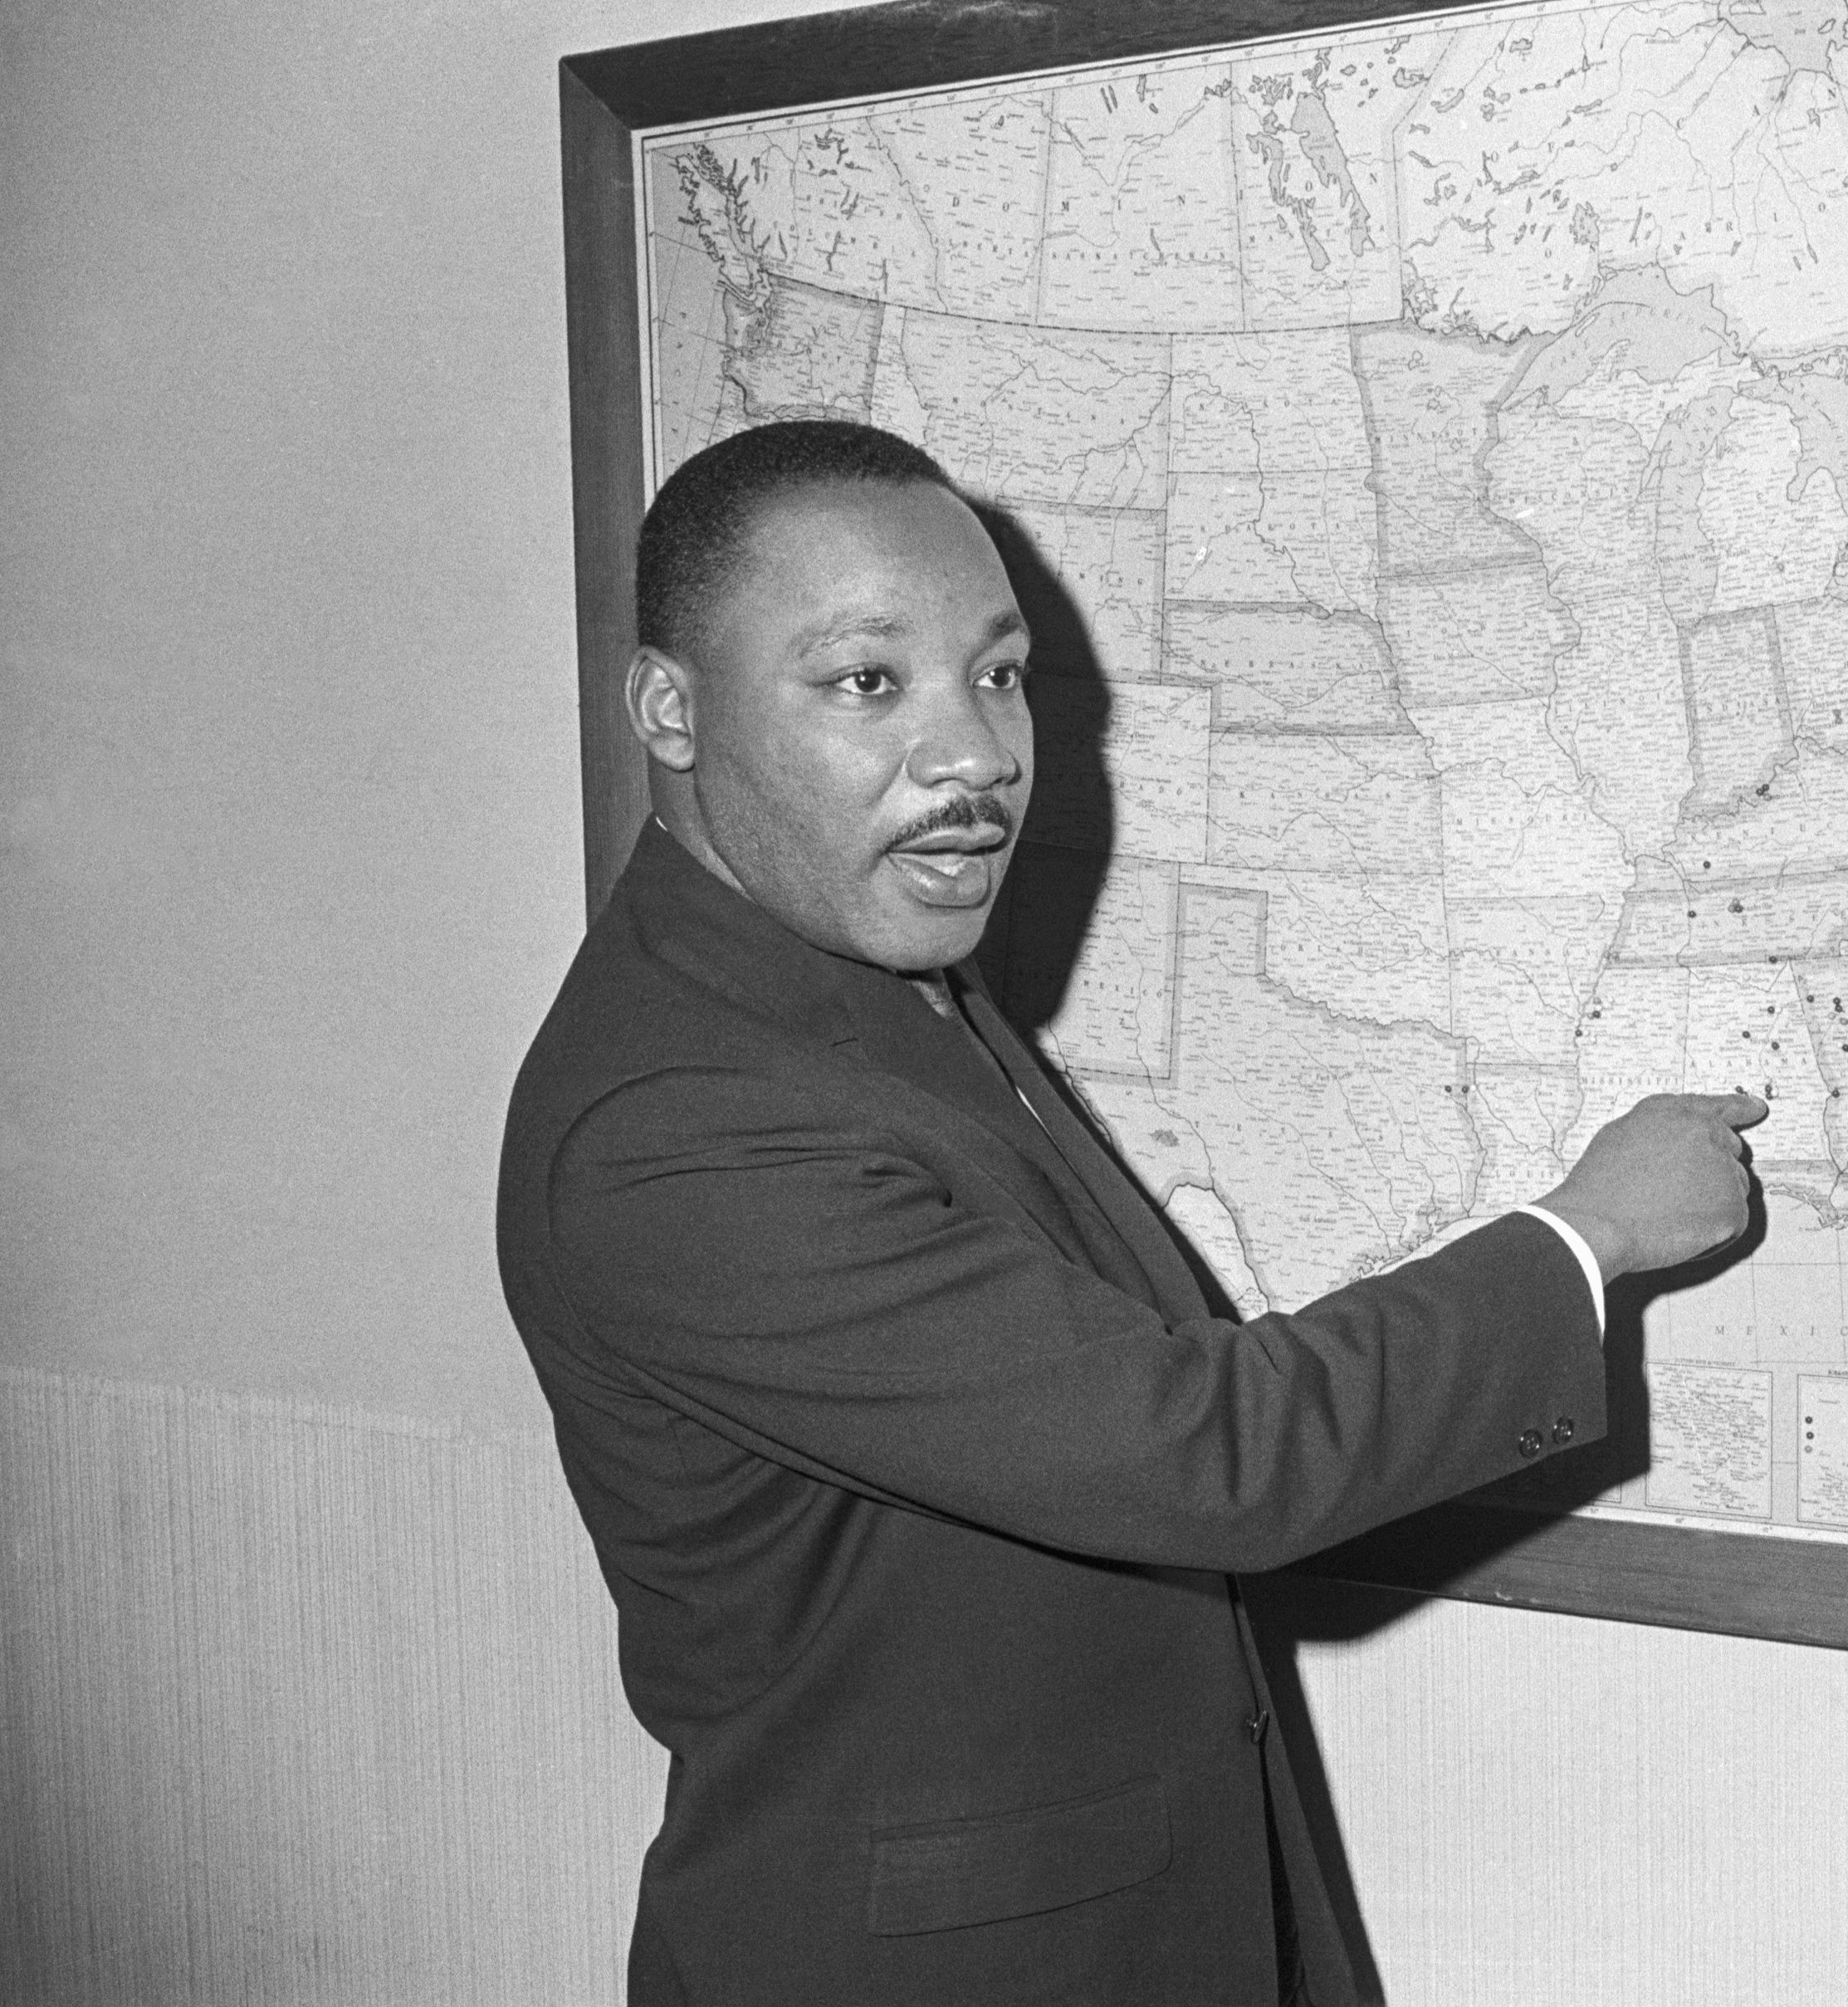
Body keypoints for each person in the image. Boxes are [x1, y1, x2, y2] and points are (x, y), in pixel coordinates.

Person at [496, 419, 1763, 2005]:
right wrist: (1590, 1235)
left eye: (999, 674)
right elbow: (1207, 1453)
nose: (975, 757)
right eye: (867, 682)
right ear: (670, 711)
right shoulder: (675, 1127)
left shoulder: (860, 974)